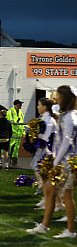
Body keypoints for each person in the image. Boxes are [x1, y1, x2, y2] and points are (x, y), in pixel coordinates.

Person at [26, 85, 76, 238]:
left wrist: (55, 161)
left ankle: (68, 229)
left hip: (66, 161)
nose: (56, 99)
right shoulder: (68, 115)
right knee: (53, 191)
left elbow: (67, 142)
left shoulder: (69, 117)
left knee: (63, 193)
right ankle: (47, 225)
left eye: (58, 96)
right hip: (63, 159)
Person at [6, 99, 25, 166]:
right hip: (12, 133)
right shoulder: (10, 112)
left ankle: (14, 162)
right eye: (20, 104)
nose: (21, 106)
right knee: (10, 148)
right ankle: (8, 161)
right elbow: (7, 122)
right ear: (16, 105)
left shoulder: (20, 112)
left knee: (16, 149)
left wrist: (23, 132)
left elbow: (21, 122)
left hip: (18, 134)